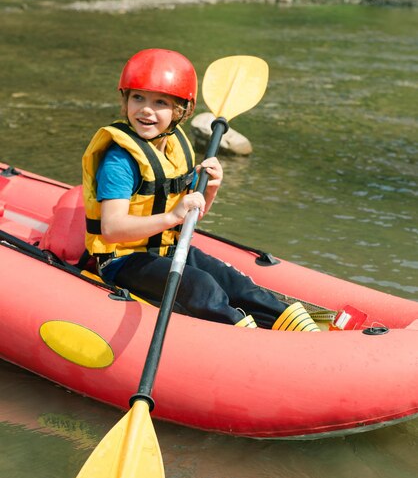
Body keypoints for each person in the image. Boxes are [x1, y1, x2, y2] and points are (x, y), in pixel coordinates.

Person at [82, 48, 319, 331]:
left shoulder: (172, 148)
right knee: (202, 287)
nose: (146, 109)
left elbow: (190, 220)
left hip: (166, 249)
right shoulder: (119, 161)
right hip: (121, 261)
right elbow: (112, 228)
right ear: (125, 100)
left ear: (181, 111)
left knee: (239, 286)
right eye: (138, 98)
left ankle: (300, 331)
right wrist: (172, 217)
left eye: (160, 102)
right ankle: (246, 338)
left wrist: (210, 190)